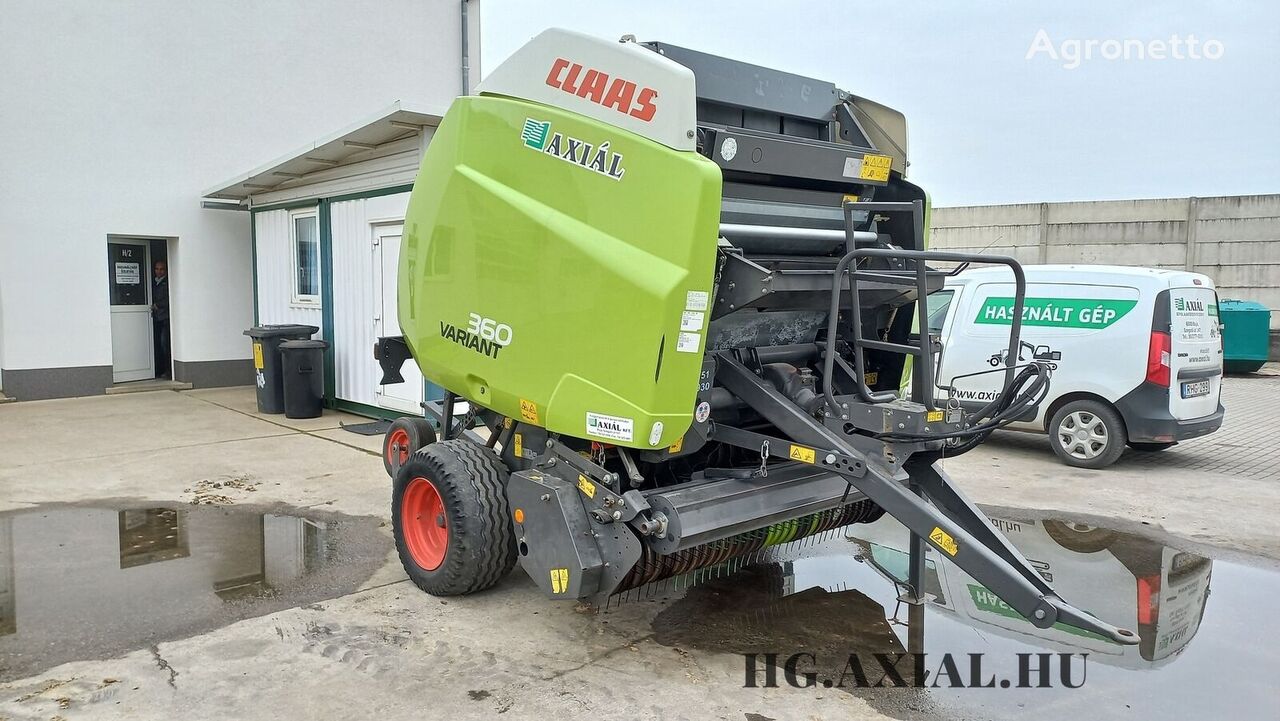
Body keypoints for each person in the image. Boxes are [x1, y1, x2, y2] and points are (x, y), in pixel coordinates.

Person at [151, 260, 171, 378]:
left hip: (165, 319)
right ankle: (158, 370)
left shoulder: (167, 283)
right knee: (157, 345)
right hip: (157, 319)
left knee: (165, 345)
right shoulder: (153, 283)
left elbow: (170, 298)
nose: (159, 271)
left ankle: (168, 371)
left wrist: (158, 305)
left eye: (161, 269)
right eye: (157, 269)